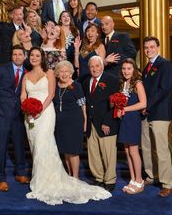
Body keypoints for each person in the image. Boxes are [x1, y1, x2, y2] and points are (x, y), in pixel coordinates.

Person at [21, 47, 111, 205]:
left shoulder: (56, 77)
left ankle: (70, 179)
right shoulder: (26, 75)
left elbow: (51, 95)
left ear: (42, 57)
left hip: (47, 114)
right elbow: (23, 95)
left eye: (37, 55)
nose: (34, 57)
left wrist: (39, 110)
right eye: (32, 55)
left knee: (47, 145)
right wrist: (27, 108)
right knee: (37, 146)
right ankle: (43, 177)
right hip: (34, 116)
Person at [0, 45, 29, 192]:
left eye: (20, 54)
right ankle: (0, 177)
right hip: (2, 113)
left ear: (24, 56)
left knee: (19, 145)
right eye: (14, 54)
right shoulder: (1, 68)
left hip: (19, 114)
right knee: (1, 146)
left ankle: (20, 173)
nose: (17, 57)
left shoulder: (27, 72)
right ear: (11, 56)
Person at [141, 36, 172, 197]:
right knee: (147, 147)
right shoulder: (146, 67)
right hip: (146, 113)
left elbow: (164, 89)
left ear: (158, 47)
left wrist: (146, 105)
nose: (149, 50)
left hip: (160, 113)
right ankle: (151, 175)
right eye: (146, 47)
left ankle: (168, 183)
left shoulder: (165, 65)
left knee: (161, 150)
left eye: (152, 47)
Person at [83, 56, 119, 192]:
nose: (94, 69)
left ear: (102, 66)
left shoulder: (112, 80)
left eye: (97, 66)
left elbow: (116, 103)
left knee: (108, 153)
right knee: (93, 153)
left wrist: (107, 122)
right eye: (92, 66)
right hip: (91, 123)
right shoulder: (87, 81)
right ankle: (98, 178)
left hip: (106, 123)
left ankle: (110, 180)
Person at [117, 58, 146, 194]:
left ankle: (139, 180)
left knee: (134, 151)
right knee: (127, 151)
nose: (126, 71)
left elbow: (143, 103)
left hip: (133, 119)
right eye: (124, 68)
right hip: (124, 120)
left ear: (134, 69)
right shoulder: (123, 83)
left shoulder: (137, 83)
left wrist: (126, 109)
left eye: (129, 68)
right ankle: (133, 179)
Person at [54, 61, 87, 178]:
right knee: (65, 151)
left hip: (74, 123)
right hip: (60, 124)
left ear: (71, 73)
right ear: (57, 73)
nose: (64, 74)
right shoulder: (55, 86)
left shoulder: (76, 86)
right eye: (61, 71)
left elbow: (83, 106)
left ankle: (75, 177)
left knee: (73, 151)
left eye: (66, 71)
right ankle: (69, 174)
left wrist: (85, 122)